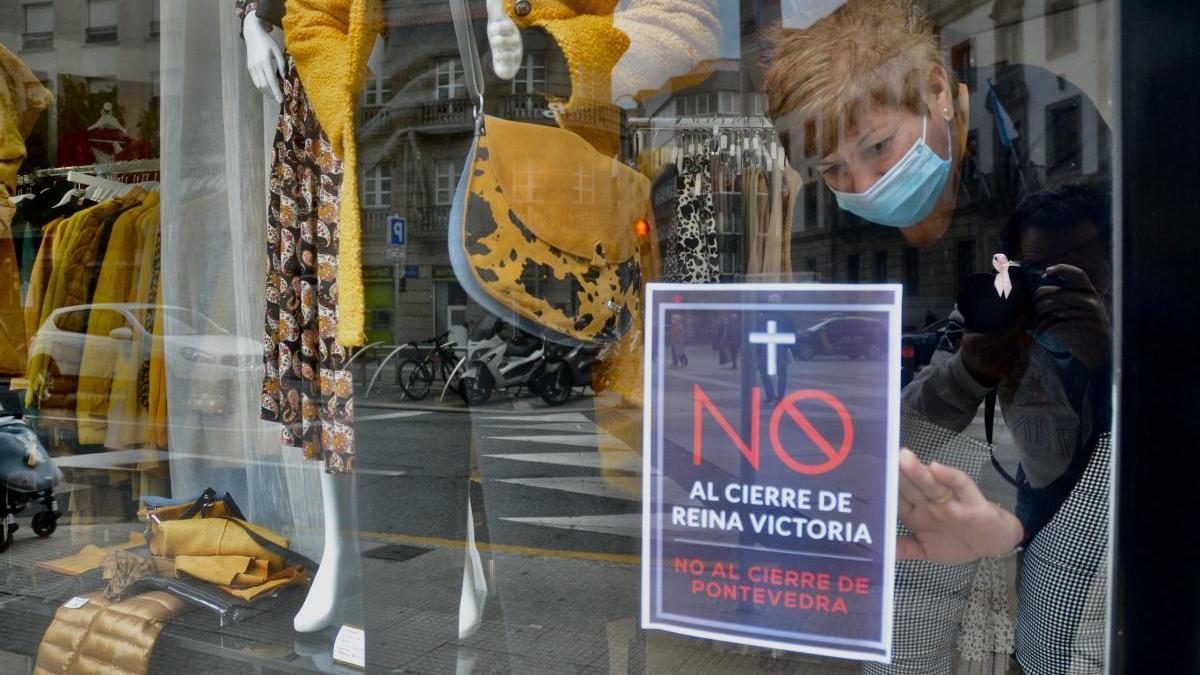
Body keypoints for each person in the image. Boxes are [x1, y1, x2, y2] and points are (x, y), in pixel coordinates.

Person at [762, 2, 1112, 671]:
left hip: (1087, 427)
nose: (863, 185)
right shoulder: (888, 228)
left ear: (935, 93)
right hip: (949, 414)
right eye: (834, 171)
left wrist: (1008, 516)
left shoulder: (1042, 142)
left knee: (1063, 631)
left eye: (875, 148)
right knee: (906, 612)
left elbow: (1092, 354)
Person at [754, 294, 795, 403]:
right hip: (781, 349)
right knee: (782, 374)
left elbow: (758, 334)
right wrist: (790, 348)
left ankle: (770, 394)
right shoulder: (787, 317)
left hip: (765, 349)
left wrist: (758, 351)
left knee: (764, 373)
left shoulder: (762, 318)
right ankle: (780, 396)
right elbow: (792, 334)